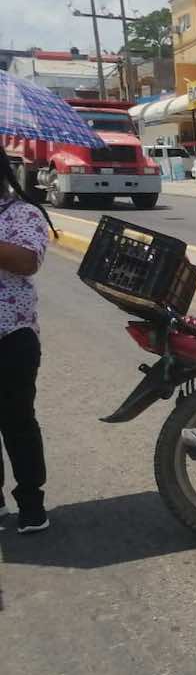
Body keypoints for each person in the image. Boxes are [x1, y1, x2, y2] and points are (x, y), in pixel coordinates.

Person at [0, 157, 55, 534]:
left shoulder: (23, 213)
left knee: (17, 421)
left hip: (12, 336)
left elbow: (27, 261)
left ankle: (31, 501)